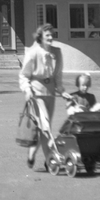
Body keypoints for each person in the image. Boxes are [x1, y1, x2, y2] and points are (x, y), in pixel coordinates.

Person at [19, 24, 64, 170]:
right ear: (41, 37)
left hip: (50, 93)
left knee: (44, 127)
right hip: (36, 93)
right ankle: (50, 159)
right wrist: (27, 90)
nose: (51, 38)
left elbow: (57, 75)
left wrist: (62, 91)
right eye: (47, 36)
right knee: (45, 126)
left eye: (52, 35)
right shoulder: (33, 52)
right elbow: (24, 75)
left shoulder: (57, 52)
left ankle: (32, 153)